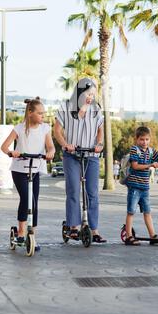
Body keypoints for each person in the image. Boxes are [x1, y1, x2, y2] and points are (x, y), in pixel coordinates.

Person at [54, 78, 106, 243]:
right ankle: (74, 226)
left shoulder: (96, 109)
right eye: (88, 93)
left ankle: (94, 229)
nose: (90, 97)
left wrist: (99, 144)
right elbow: (57, 131)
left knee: (92, 193)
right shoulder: (65, 108)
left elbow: (100, 131)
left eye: (93, 94)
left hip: (91, 155)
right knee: (74, 190)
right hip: (71, 155)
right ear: (80, 92)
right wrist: (65, 144)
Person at [1, 97, 55, 251]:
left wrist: (51, 152)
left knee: (34, 203)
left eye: (43, 114)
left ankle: (33, 236)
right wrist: (12, 152)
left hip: (35, 168)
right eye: (40, 113)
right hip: (19, 169)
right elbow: (4, 146)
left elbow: (51, 147)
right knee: (26, 199)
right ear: (30, 113)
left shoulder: (45, 128)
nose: (42, 116)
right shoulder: (19, 128)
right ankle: (21, 231)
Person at [124, 126, 158, 246]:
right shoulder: (135, 150)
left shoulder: (151, 151)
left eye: (147, 139)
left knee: (147, 211)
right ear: (137, 139)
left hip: (145, 187)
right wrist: (151, 165)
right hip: (134, 186)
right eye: (142, 139)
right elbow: (135, 166)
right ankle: (128, 236)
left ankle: (152, 235)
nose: (145, 142)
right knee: (131, 211)